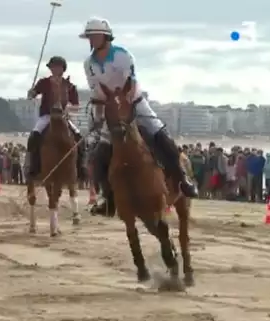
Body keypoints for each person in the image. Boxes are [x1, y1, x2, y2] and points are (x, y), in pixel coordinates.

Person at [81, 17, 198, 216]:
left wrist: (125, 103)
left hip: (134, 104)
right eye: (89, 37)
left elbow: (132, 83)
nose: (91, 40)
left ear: (105, 36)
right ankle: (106, 198)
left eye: (94, 36)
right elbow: (97, 92)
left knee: (162, 136)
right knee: (99, 154)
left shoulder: (122, 55)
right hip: (110, 109)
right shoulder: (88, 64)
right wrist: (99, 118)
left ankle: (182, 179)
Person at [25, 56, 82, 178]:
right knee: (34, 137)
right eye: (52, 67)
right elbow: (33, 93)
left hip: (63, 117)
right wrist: (31, 94)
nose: (53, 69)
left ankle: (81, 168)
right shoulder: (43, 82)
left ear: (62, 69)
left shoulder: (70, 86)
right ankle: (33, 167)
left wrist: (68, 109)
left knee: (79, 138)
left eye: (56, 67)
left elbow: (77, 106)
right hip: (47, 116)